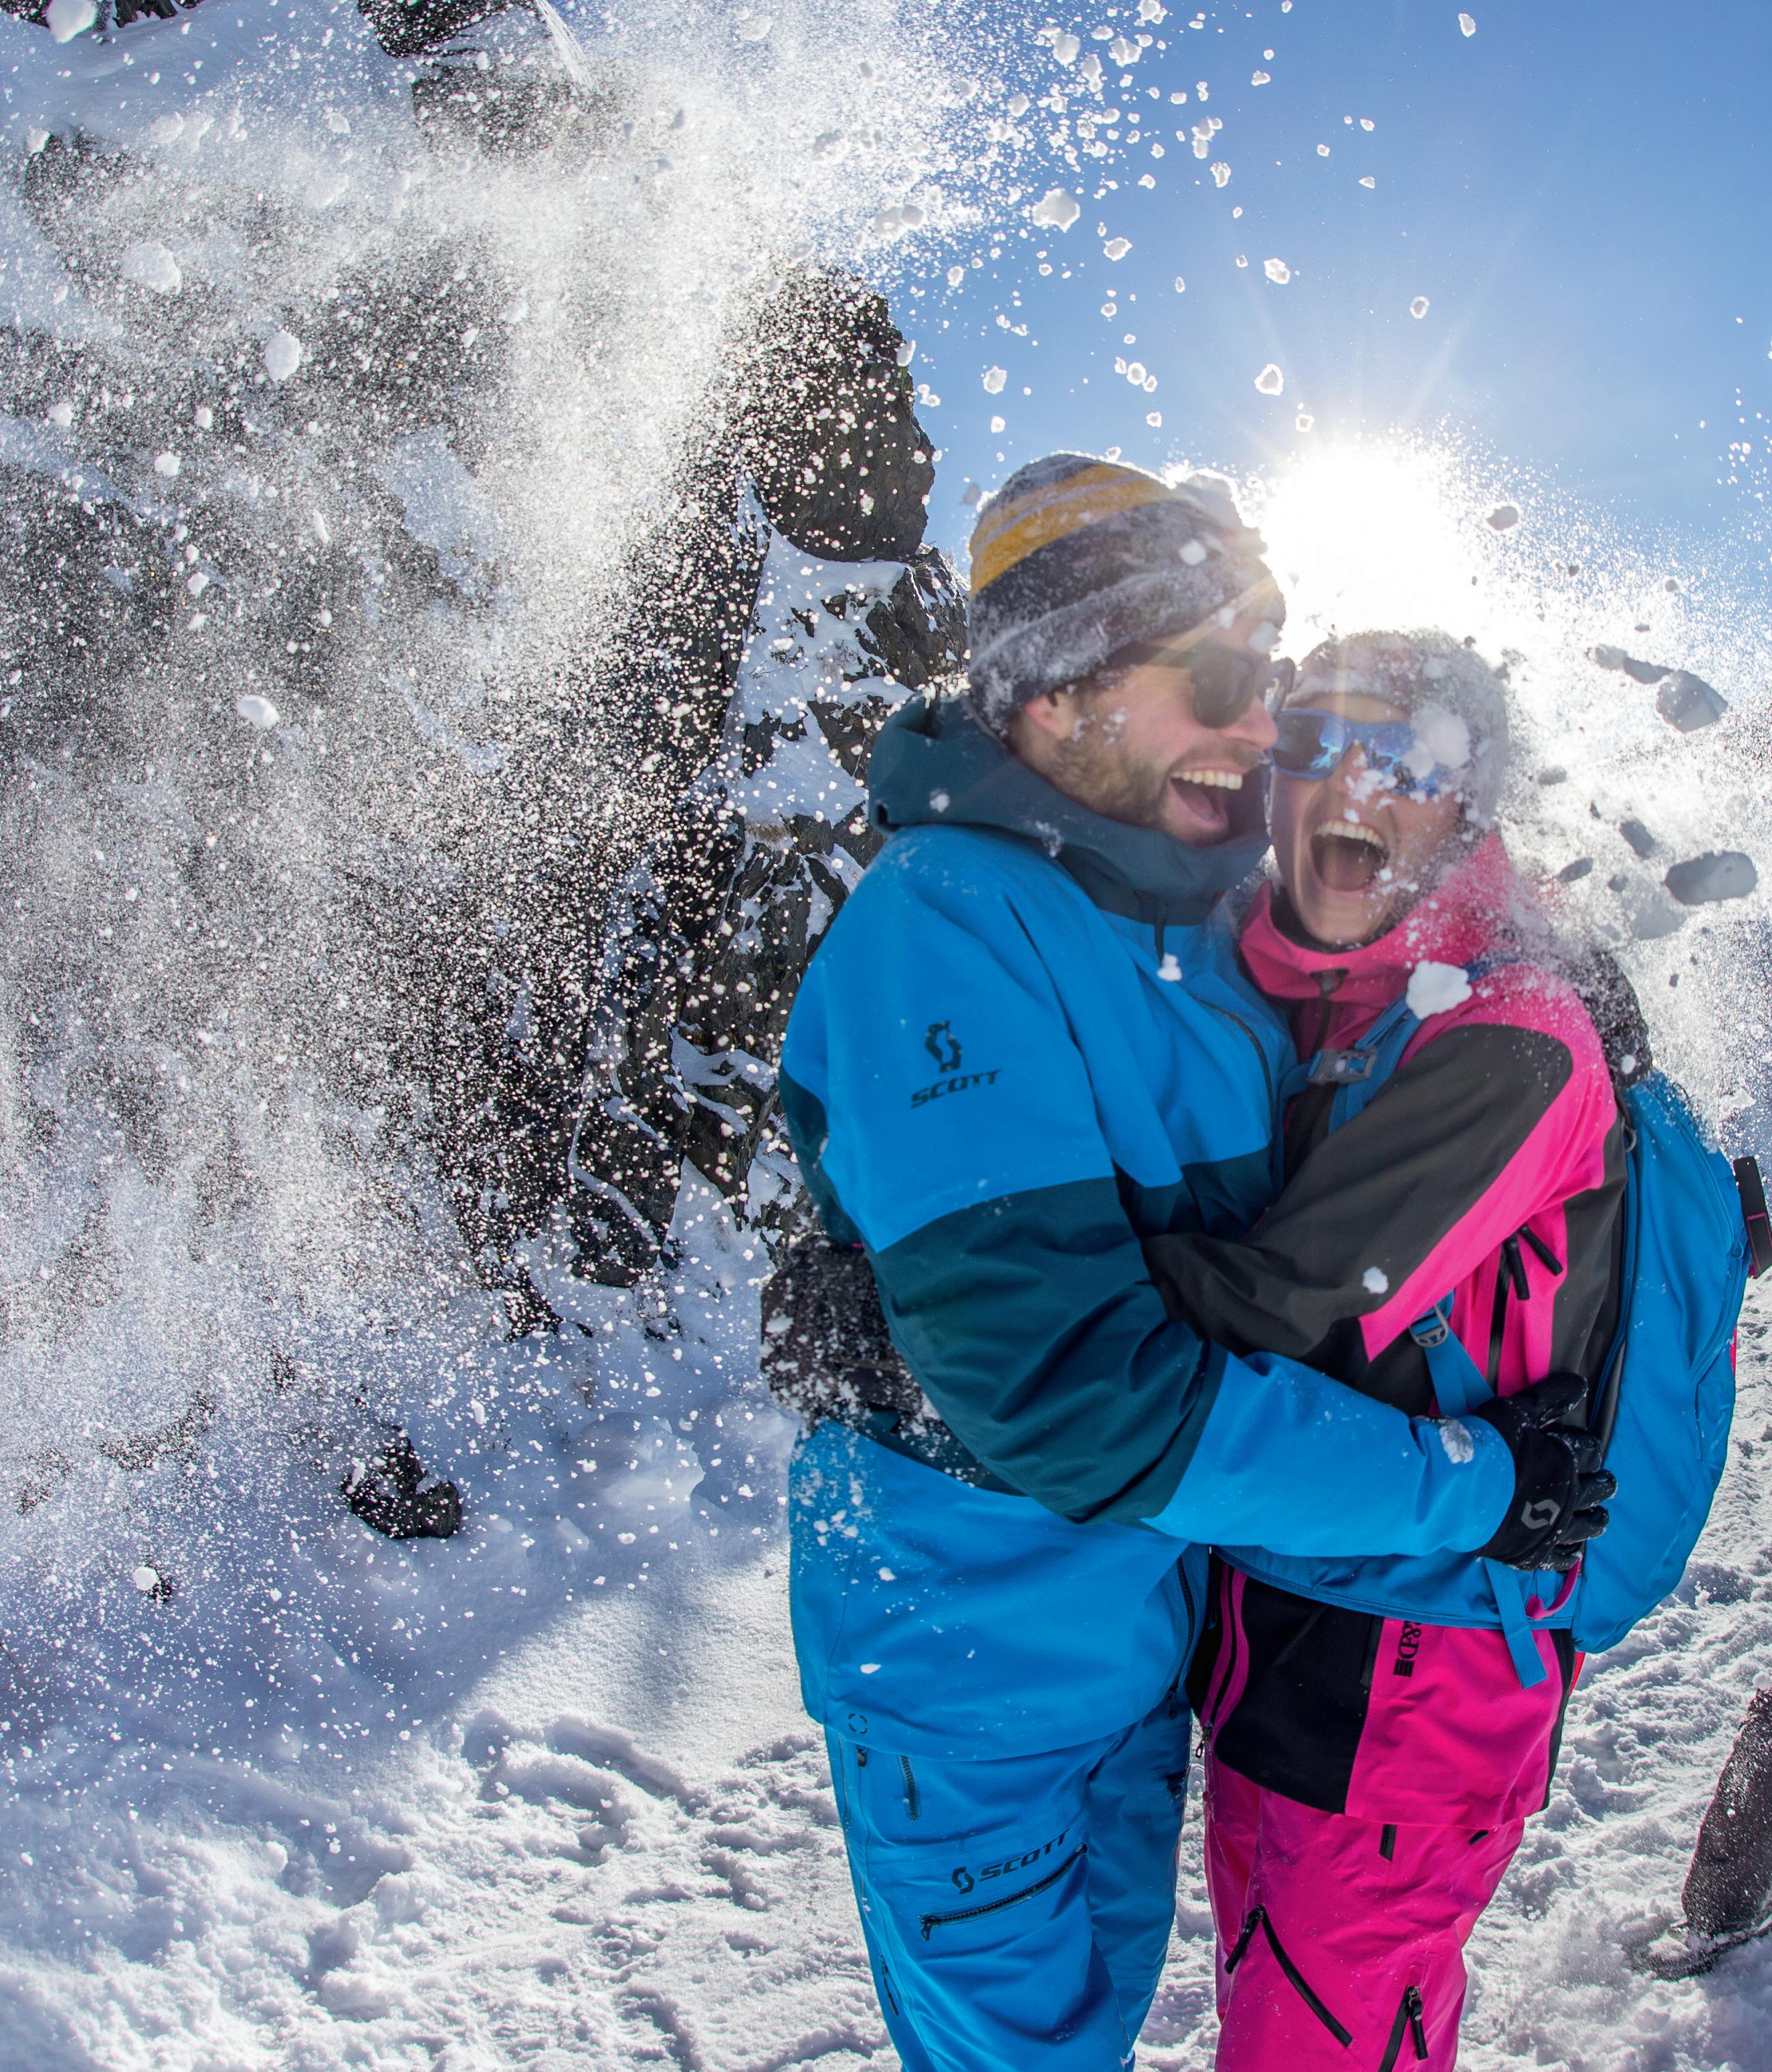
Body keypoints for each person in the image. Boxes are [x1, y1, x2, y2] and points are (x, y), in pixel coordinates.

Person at [765, 461, 1603, 2072]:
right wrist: (1468, 1489)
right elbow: (1080, 1400)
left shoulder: (1197, 923)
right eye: (1215, 679)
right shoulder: (945, 922)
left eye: (1266, 676)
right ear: (1056, 690)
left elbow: (1412, 954)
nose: (1259, 727)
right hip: (970, 1670)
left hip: (1146, 1644)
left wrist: (1573, 987)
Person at [1141, 631, 1624, 2069]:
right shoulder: (1336, 1000)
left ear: (1468, 806)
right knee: (1280, 2003)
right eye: (1311, 741)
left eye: (1406, 757)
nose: (1350, 781)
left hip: (1416, 1670)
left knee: (1322, 2033)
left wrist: (962, 1293)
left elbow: (1267, 1304)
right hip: (1294, 1622)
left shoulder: (1506, 1032)